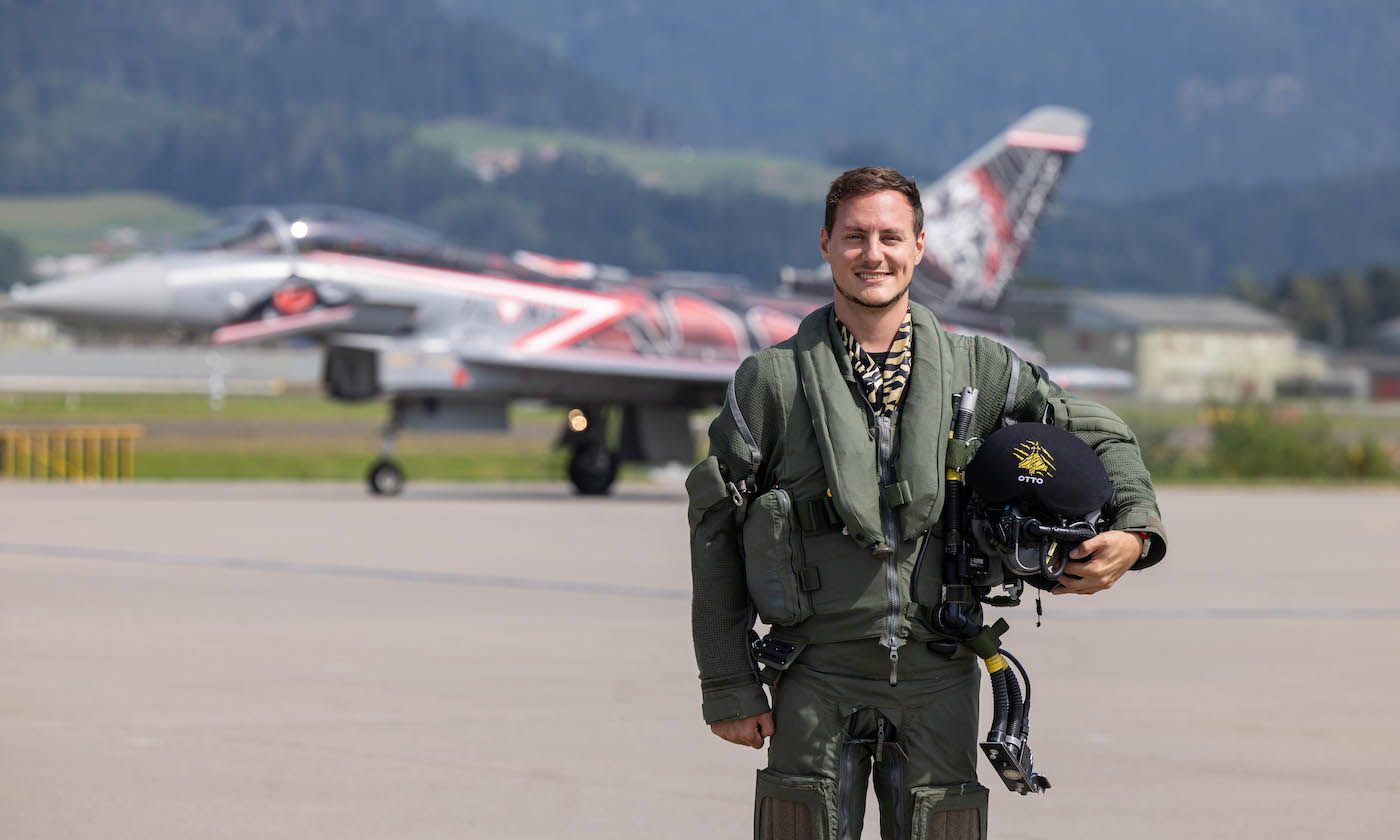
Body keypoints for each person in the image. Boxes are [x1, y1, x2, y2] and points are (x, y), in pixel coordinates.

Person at [686, 167, 1167, 840]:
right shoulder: (772, 383)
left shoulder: (982, 371)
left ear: (919, 246)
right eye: (854, 237)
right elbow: (715, 529)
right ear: (825, 244)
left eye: (890, 236)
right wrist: (729, 684)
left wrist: (1134, 530)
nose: (872, 254)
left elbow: (1096, 430)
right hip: (815, 673)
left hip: (938, 670)